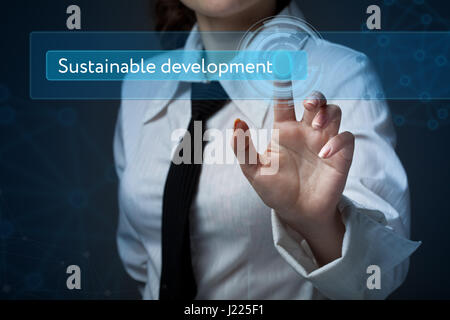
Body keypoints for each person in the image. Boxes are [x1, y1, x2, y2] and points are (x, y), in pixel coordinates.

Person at [114, 0, 420, 299]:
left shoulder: (340, 75)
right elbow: (141, 257)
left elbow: (375, 278)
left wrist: (319, 223)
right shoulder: (141, 84)